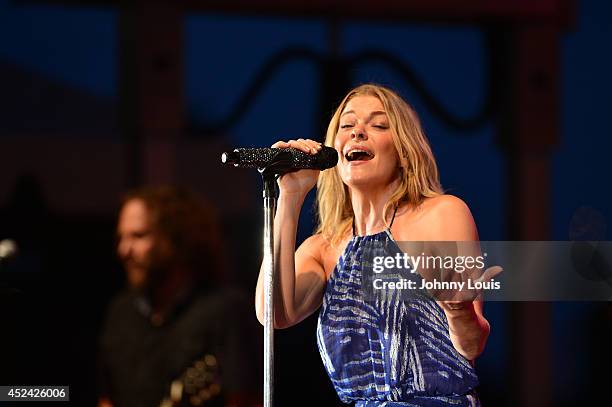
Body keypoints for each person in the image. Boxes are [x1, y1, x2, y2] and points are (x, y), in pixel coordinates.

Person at [255, 84, 497, 406]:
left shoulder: (441, 214)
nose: (358, 133)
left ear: (404, 150)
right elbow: (273, 314)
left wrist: (459, 310)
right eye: (347, 125)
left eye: (378, 125)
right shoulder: (324, 248)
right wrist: (292, 196)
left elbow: (471, 346)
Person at [99, 186, 261, 407]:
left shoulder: (225, 310)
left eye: (138, 235)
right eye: (121, 237)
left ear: (175, 239)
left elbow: (245, 400)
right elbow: (107, 398)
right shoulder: (121, 311)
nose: (123, 250)